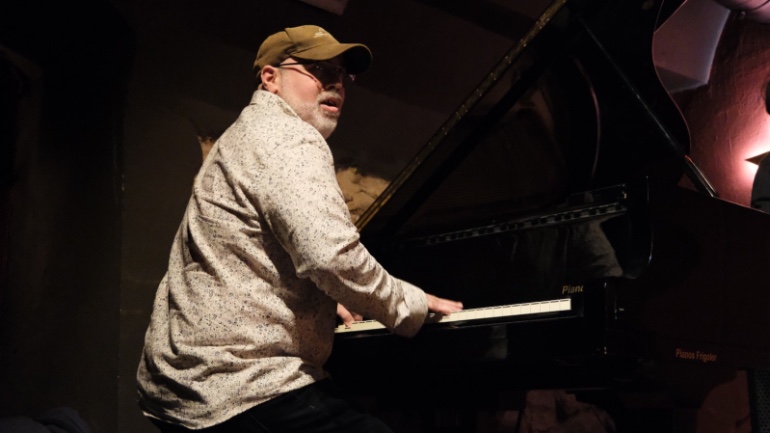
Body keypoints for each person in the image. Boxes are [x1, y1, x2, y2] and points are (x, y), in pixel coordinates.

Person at [136, 25, 463, 433]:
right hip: (239, 386)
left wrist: (320, 299)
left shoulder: (242, 135)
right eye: (317, 69)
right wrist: (407, 304)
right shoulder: (289, 138)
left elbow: (247, 250)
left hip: (180, 382)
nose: (334, 82)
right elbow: (330, 257)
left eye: (341, 73)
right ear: (270, 78)